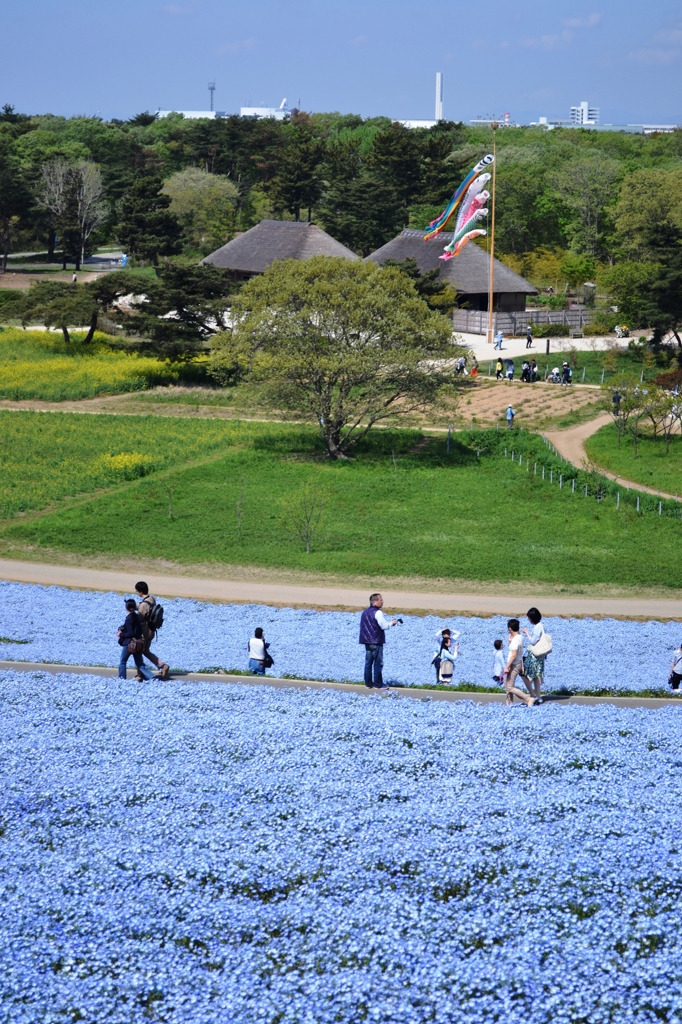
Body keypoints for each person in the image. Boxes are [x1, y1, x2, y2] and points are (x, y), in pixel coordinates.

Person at [359, 593, 398, 689]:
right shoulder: (378, 612)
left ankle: (368, 684)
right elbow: (384, 626)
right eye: (381, 600)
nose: (382, 602)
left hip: (367, 641)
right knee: (378, 663)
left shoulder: (365, 612)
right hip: (376, 641)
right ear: (374, 601)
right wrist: (391, 623)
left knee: (368, 663)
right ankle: (378, 684)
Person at [135, 581, 170, 680]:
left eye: (137, 591)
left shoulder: (143, 605)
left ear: (140, 591)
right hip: (152, 630)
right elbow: (147, 609)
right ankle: (162, 665)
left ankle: (140, 674)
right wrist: (137, 606)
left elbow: (140, 618)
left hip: (145, 632)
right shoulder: (151, 599)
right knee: (145, 651)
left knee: (139, 651)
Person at [118, 598, 153, 681]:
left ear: (126, 607)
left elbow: (130, 634)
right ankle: (152, 677)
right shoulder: (137, 617)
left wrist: (121, 634)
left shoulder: (129, 618)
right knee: (140, 663)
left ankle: (121, 679)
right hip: (138, 643)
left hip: (129, 643)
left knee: (122, 662)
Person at [503, 619, 535, 707]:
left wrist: (507, 667)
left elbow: (513, 655)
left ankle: (528, 699)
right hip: (518, 663)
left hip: (514, 665)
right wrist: (509, 641)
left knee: (509, 687)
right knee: (508, 685)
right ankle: (509, 704)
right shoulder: (520, 637)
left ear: (510, 629)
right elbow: (513, 649)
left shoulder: (515, 640)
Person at [521, 607, 547, 703]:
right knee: (536, 676)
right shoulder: (542, 626)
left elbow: (532, 641)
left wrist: (527, 633)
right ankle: (538, 696)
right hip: (539, 655)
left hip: (534, 656)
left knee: (529, 674)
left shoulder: (537, 628)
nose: (529, 620)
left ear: (532, 618)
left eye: (529, 618)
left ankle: (532, 694)